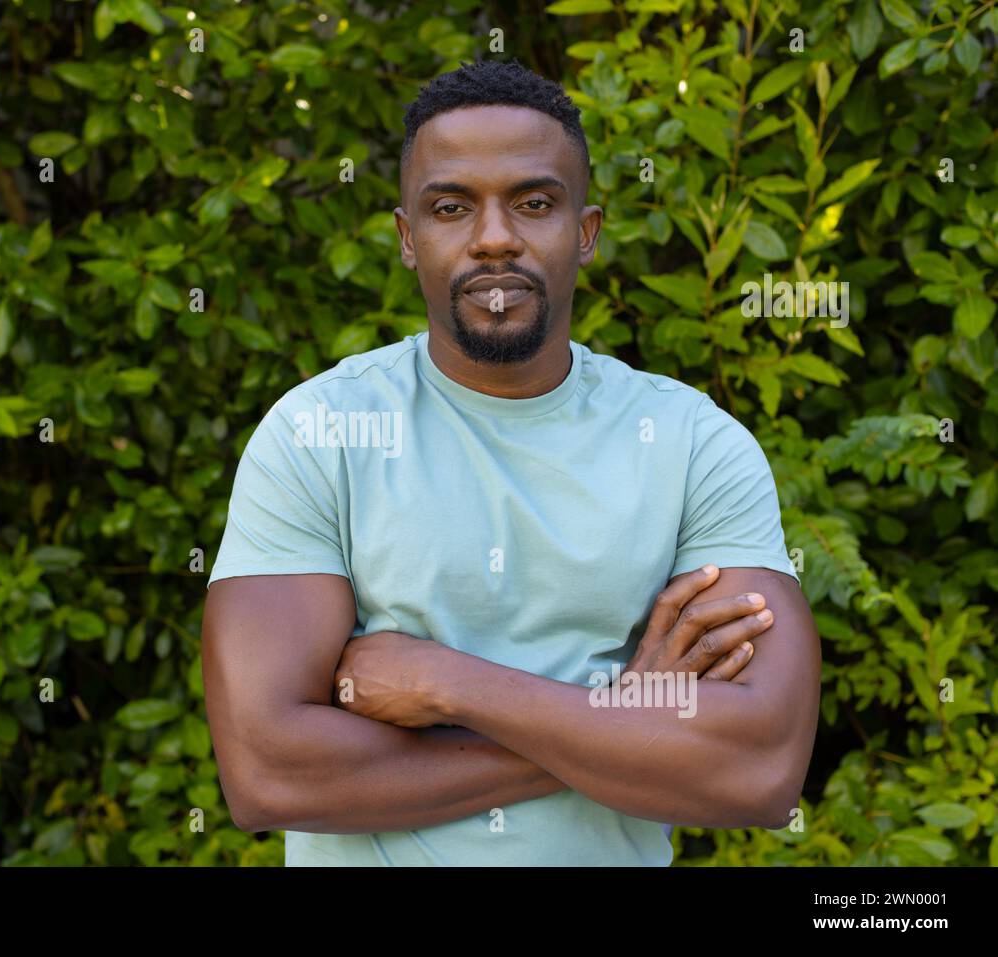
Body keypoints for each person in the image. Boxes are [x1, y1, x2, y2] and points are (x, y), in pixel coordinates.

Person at [202, 58, 820, 866]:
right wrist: (620, 717)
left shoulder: (692, 443)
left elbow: (760, 769)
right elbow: (267, 772)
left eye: (534, 203)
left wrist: (444, 684)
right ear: (406, 238)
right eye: (451, 207)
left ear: (586, 232)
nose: (494, 237)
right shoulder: (321, 432)